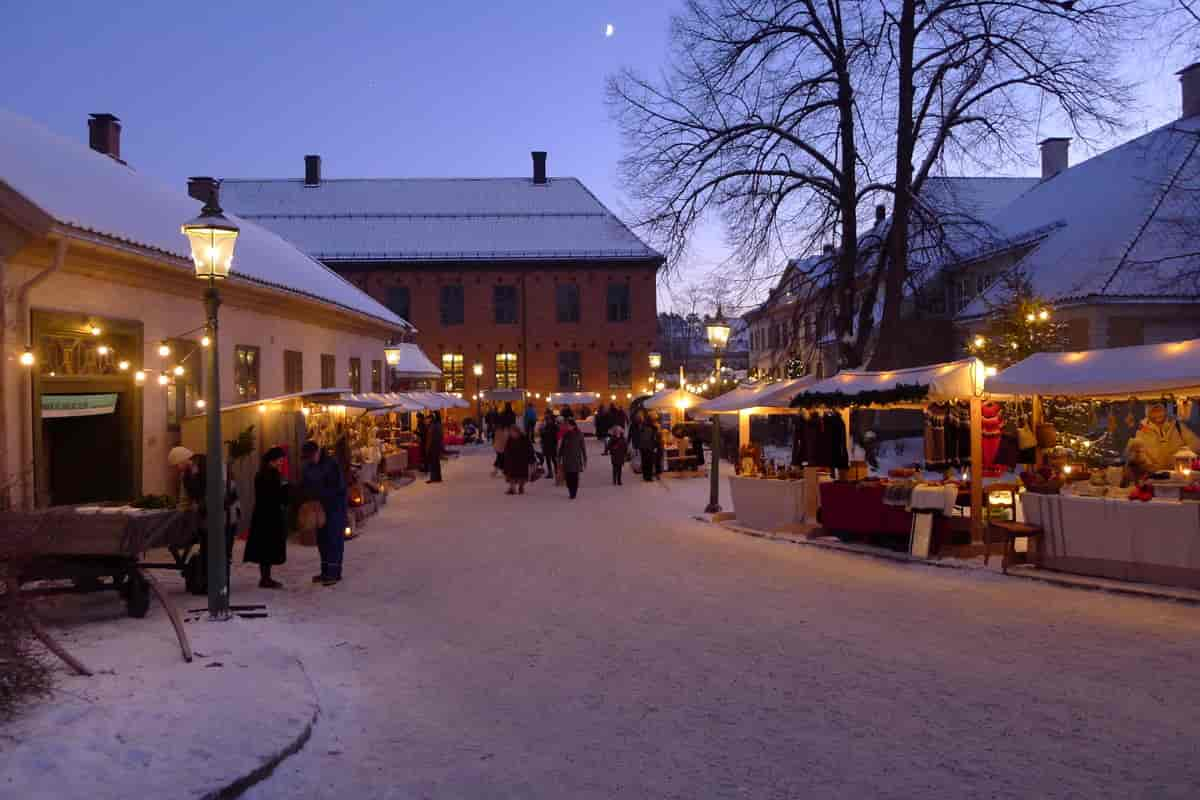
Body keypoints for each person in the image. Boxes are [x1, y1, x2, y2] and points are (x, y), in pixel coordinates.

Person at [169, 445, 241, 596]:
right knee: (207, 550)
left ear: (184, 459)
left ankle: (221, 587)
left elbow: (220, 492)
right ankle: (208, 584)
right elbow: (185, 498)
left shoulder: (212, 465)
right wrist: (179, 513)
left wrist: (200, 505)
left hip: (226, 515)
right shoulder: (186, 474)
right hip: (207, 517)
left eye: (177, 464)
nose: (177, 468)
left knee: (223, 552)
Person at [301, 440, 347, 586]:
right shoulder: (308, 466)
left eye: (310, 457)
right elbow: (306, 484)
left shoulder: (331, 464)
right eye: (307, 458)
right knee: (322, 540)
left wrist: (321, 496)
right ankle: (325, 571)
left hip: (334, 506)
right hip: (319, 507)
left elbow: (337, 487)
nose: (309, 460)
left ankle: (334, 573)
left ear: (317, 452)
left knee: (333, 539)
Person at [244, 447, 289, 589]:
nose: (281, 463)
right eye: (280, 460)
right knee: (268, 547)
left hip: (263, 515)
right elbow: (275, 495)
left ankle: (265, 577)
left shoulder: (263, 474)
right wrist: (286, 490)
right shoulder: (271, 475)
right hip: (270, 516)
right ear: (273, 460)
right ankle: (266, 579)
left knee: (265, 548)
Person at [1128, 402, 1199, 472]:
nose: (1157, 414)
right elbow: (1137, 454)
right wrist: (1150, 467)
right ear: (1148, 413)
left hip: (1177, 473)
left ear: (1164, 410)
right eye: (1154, 411)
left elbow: (1196, 445)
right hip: (1153, 476)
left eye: (1159, 410)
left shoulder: (1178, 427)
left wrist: (1184, 456)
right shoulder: (1141, 432)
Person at [560, 418, 588, 499]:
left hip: (575, 459)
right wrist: (559, 456)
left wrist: (585, 458)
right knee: (568, 477)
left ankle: (573, 492)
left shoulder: (579, 434)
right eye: (566, 425)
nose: (567, 426)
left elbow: (583, 447)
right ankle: (570, 490)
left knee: (574, 477)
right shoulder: (566, 435)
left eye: (568, 425)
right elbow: (562, 447)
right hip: (567, 459)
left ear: (573, 426)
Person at [503, 425, 534, 495]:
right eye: (510, 432)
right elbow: (506, 449)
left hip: (522, 460)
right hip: (512, 461)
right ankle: (512, 488)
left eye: (512, 432)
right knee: (511, 476)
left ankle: (521, 487)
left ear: (517, 432)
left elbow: (530, 449)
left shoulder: (524, 439)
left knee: (522, 476)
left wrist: (531, 459)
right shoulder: (510, 439)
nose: (511, 434)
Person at [540, 409, 560, 480]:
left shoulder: (553, 425)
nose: (546, 417)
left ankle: (555, 471)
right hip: (547, 444)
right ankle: (552, 472)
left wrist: (543, 432)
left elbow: (553, 435)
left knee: (553, 458)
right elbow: (543, 435)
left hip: (551, 444)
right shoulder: (548, 424)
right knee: (549, 459)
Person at [426, 411, 444, 483]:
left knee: (434, 462)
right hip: (435, 446)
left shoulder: (435, 425)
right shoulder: (436, 424)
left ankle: (434, 478)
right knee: (435, 462)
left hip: (434, 446)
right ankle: (437, 478)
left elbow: (433, 437)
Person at [638, 418, 659, 482]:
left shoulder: (642, 428)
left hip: (643, 448)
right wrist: (655, 446)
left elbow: (640, 438)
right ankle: (649, 477)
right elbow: (653, 439)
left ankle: (645, 476)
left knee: (644, 462)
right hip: (649, 448)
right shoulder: (651, 429)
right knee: (649, 462)